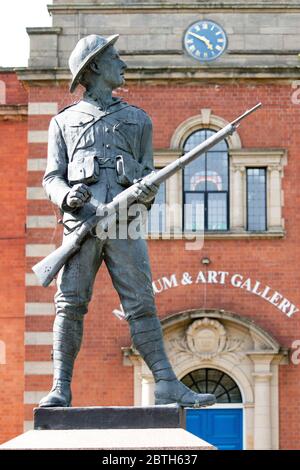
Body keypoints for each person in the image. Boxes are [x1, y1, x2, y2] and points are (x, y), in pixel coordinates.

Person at [39, 34, 216, 408]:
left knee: (141, 305)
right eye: (114, 57)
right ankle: (60, 388)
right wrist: (67, 196)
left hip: (125, 224)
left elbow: (149, 176)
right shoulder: (63, 123)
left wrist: (143, 191)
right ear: (95, 68)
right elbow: (51, 177)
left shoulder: (138, 120)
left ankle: (167, 383)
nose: (123, 64)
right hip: (82, 226)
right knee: (69, 304)